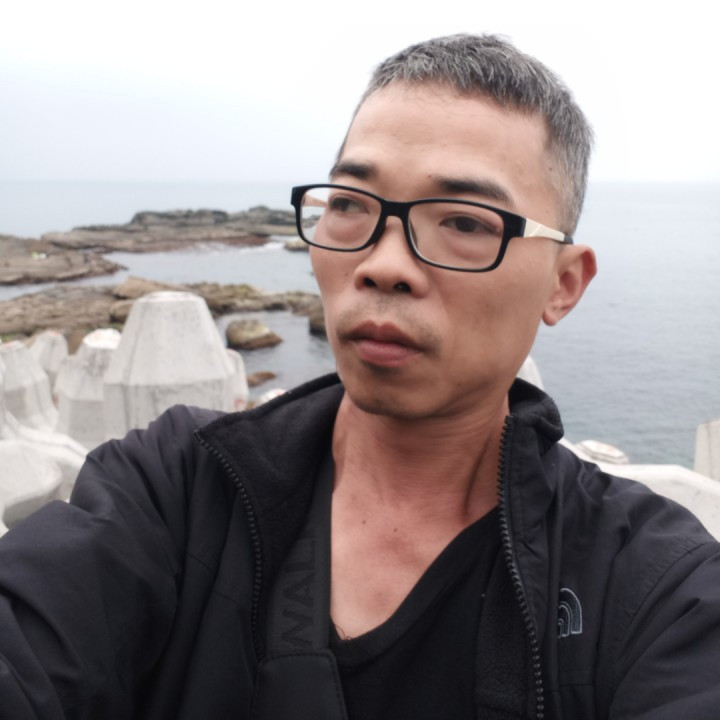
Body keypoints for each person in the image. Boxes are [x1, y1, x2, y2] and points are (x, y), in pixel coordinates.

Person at [1, 34, 719, 720]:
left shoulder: (650, 583)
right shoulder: (177, 488)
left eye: (465, 222)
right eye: (349, 205)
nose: (383, 264)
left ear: (563, 284)